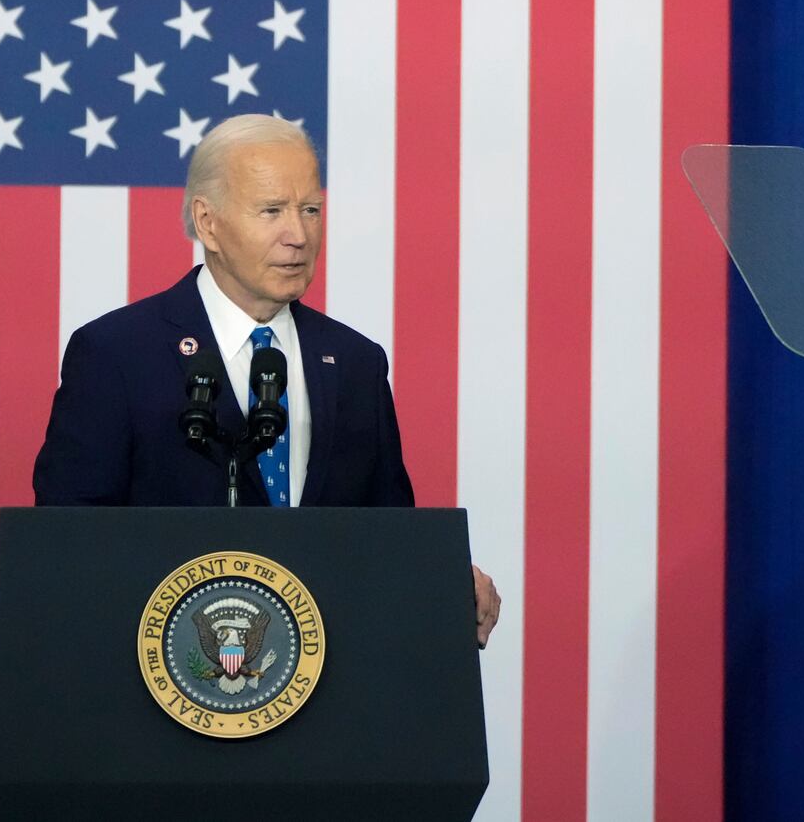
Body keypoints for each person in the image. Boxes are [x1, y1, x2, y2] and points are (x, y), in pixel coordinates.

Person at [33, 113, 500, 646]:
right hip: (170, 678)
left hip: (324, 682)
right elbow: (67, 542)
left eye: (310, 210)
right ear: (207, 222)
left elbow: (387, 533)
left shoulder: (354, 362)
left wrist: (439, 578)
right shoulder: (117, 354)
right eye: (272, 211)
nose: (298, 236)